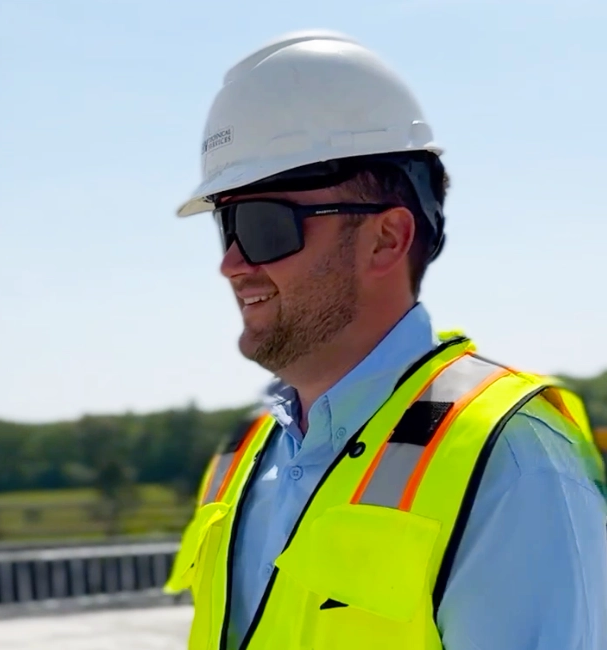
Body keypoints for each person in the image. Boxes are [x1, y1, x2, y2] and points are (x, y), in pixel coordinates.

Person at [164, 30, 607, 649]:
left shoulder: (514, 462)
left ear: (386, 239)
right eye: (224, 226)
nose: (232, 264)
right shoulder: (244, 458)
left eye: (262, 225)